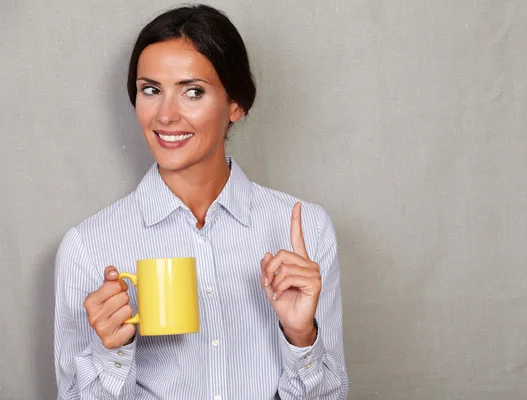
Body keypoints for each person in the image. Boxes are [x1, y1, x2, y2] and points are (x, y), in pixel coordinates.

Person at [53, 4, 348, 399]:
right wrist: (111, 354)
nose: (166, 115)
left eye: (193, 91)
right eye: (151, 90)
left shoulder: (308, 230)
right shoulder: (87, 248)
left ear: (236, 105)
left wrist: (300, 337)